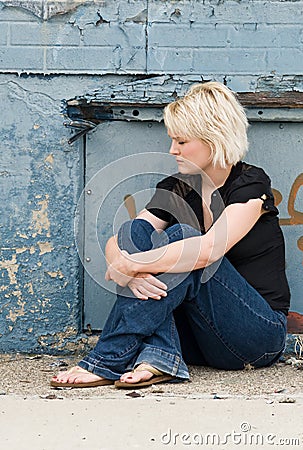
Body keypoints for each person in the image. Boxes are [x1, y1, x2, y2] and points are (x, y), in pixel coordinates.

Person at [51, 81, 290, 389]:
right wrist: (129, 272)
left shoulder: (250, 186)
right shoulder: (178, 187)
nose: (172, 150)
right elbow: (122, 241)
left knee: (183, 238)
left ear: (213, 138)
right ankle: (160, 356)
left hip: (256, 336)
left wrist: (135, 264)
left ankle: (108, 357)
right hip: (199, 338)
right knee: (137, 230)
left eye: (181, 141)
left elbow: (209, 250)